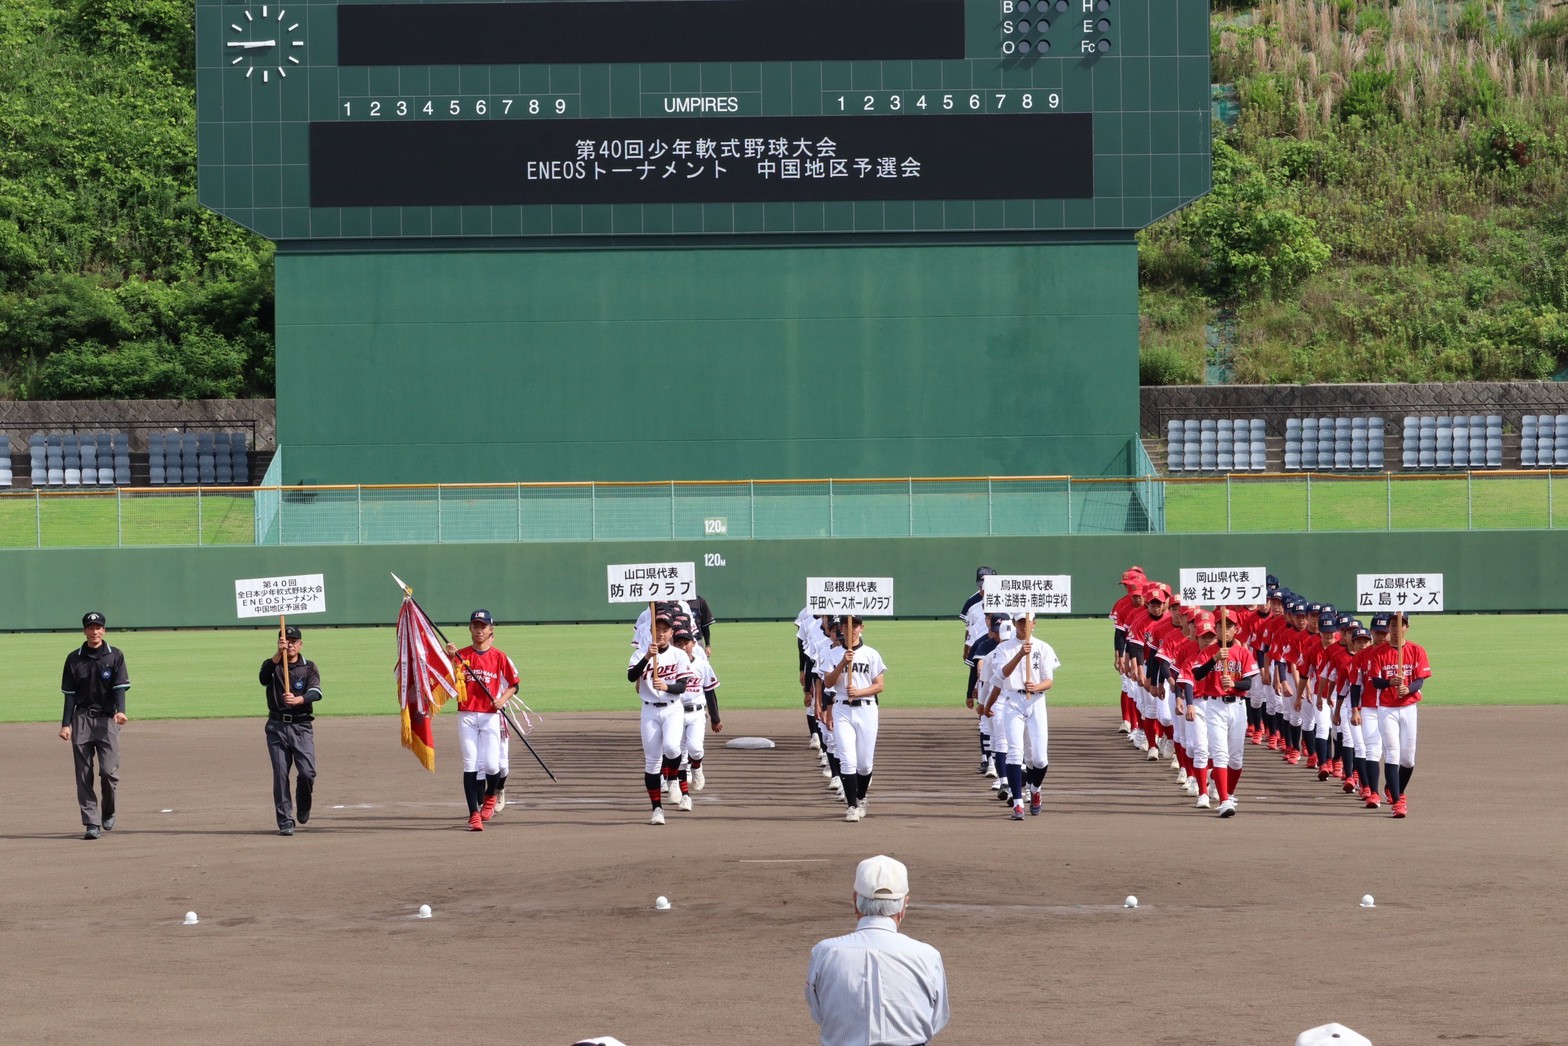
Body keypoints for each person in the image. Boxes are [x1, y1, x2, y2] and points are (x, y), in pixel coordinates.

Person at [805, 855, 949, 1046]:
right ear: (903, 907)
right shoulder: (927, 956)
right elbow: (936, 1020)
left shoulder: (824, 953)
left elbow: (819, 1014)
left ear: (855, 901)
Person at [59, 611, 130, 840]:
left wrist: (121, 711)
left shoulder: (115, 655)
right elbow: (69, 695)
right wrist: (66, 724)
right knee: (83, 773)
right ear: (84, 631)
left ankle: (108, 809)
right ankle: (91, 823)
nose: (94, 631)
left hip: (108, 720)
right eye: (90, 628)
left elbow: (119, 687)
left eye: (98, 627)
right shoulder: (74, 658)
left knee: (109, 772)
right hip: (81, 720)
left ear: (104, 630)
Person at [445, 609, 518, 832]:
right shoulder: (461, 655)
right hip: (467, 714)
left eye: (483, 627)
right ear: (470, 628)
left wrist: (501, 700)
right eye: (475, 626)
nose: (479, 630)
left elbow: (514, 685)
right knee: (470, 764)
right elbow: (444, 676)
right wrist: (448, 656)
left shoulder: (499, 656)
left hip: (490, 715)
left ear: (491, 630)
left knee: (492, 765)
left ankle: (490, 796)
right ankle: (473, 815)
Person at [627, 610, 696, 825]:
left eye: (665, 630)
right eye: (657, 630)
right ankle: (657, 809)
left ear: (672, 632)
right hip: (649, 710)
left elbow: (682, 686)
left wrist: (667, 686)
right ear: (651, 632)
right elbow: (631, 676)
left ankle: (673, 779)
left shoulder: (679, 655)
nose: (661, 634)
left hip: (672, 708)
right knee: (652, 762)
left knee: (673, 748)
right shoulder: (641, 654)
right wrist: (648, 657)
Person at [822, 616, 887, 822]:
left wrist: (858, 692)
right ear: (841, 628)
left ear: (861, 629)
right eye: (847, 626)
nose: (851, 630)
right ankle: (851, 806)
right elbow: (828, 682)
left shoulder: (871, 654)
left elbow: (879, 685)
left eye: (855, 626)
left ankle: (861, 797)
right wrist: (843, 662)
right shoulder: (832, 653)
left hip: (867, 709)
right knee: (847, 760)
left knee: (865, 764)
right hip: (842, 709)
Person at [260, 624, 322, 836]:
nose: (290, 645)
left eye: (294, 641)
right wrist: (278, 654)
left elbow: (316, 692)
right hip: (277, 727)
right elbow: (263, 678)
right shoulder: (274, 665)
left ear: (300, 644)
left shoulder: (309, 666)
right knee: (280, 774)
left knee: (307, 772)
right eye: (286, 641)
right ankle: (285, 820)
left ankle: (303, 803)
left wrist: (299, 699)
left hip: (301, 726)